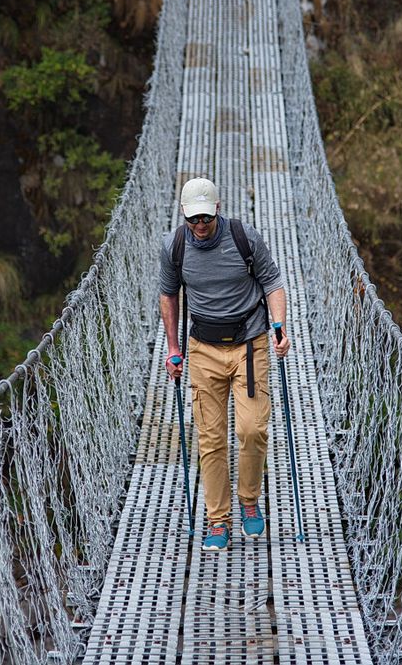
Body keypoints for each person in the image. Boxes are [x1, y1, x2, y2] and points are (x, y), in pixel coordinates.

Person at [159, 176, 289, 552]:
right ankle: (218, 520)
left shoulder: (244, 237)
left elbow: (273, 282)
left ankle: (248, 500)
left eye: (206, 217)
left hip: (250, 345)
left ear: (217, 209)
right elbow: (168, 296)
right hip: (203, 350)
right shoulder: (174, 246)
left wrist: (279, 327)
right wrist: (173, 348)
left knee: (252, 429)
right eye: (193, 219)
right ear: (184, 214)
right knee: (211, 439)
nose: (200, 226)